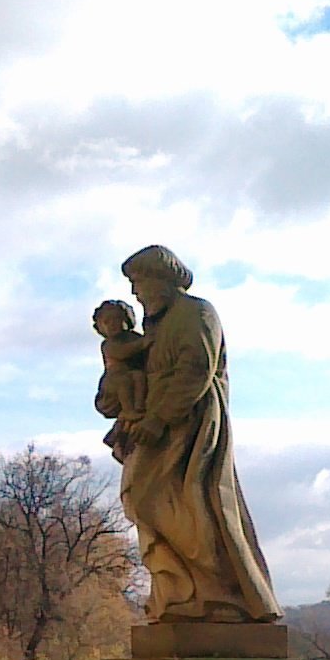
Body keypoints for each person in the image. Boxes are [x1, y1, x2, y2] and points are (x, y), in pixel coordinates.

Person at [100, 244, 281, 623]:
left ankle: (220, 594)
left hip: (188, 424)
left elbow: (195, 370)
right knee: (144, 501)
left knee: (185, 503)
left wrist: (159, 418)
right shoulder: (157, 325)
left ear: (161, 279)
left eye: (139, 282)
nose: (135, 293)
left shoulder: (196, 312)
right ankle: (179, 592)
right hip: (158, 424)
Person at [92, 298, 151, 461]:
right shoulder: (109, 344)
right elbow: (123, 352)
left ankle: (137, 408)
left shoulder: (134, 337)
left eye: (117, 319)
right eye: (106, 322)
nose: (112, 324)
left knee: (139, 377)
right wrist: (145, 343)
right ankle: (128, 410)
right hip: (114, 381)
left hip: (133, 376)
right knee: (125, 381)